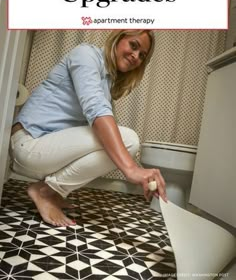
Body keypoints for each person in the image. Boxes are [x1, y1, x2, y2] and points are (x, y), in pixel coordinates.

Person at [10, 30, 167, 227]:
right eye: (133, 45)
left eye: (142, 55)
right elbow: (96, 110)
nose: (136, 56)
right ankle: (45, 192)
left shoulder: (107, 82)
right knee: (129, 140)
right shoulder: (86, 54)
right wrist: (132, 169)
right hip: (28, 142)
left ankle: (50, 191)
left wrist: (136, 169)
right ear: (118, 40)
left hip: (46, 148)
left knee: (116, 141)